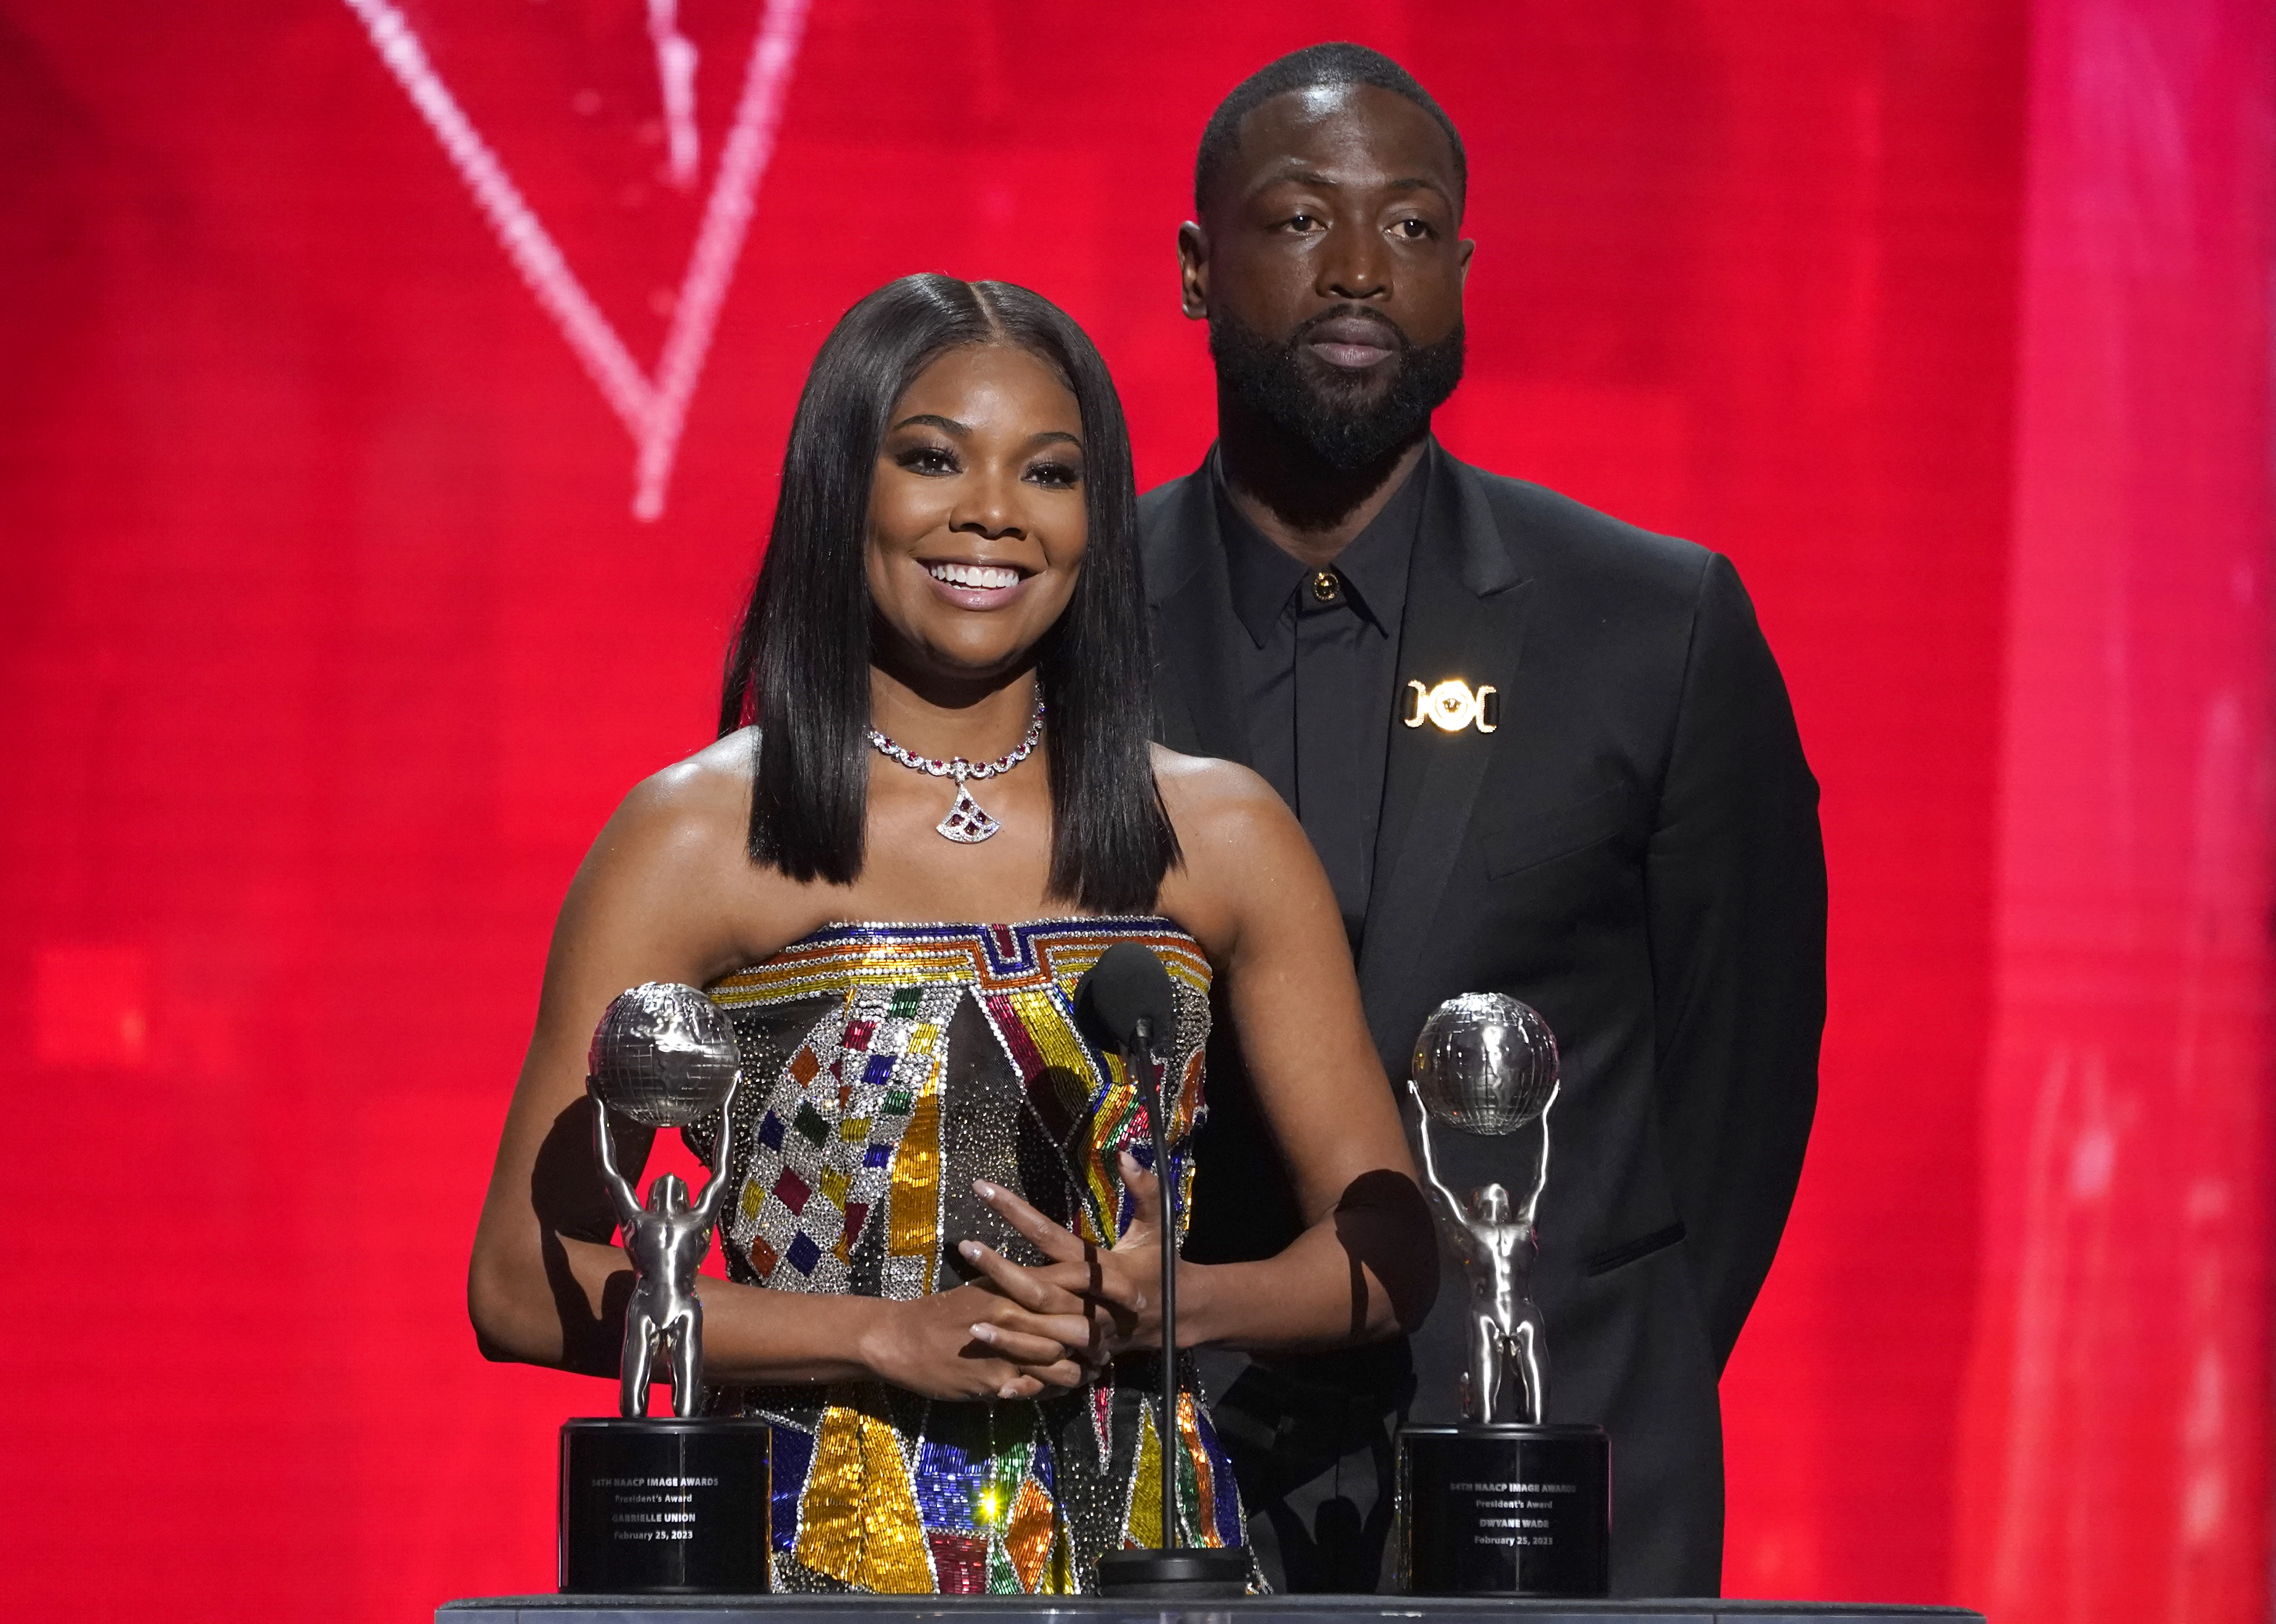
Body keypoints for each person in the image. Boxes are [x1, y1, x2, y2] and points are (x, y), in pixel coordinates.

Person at [466, 273, 1437, 1596]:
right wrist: (877, 1334)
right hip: (801, 1567)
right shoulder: (695, 838)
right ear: (841, 489)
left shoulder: (1219, 833)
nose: (993, 512)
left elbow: (1393, 1250)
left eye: (1048, 472)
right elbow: (524, 1283)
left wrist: (1169, 1305)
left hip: (1154, 1569)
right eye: (934, 459)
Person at [1142, 44, 1826, 1596]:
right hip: (1159, 1481)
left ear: (1463, 265)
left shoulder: (1654, 626)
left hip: (1565, 1465)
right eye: (1304, 221)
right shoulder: (1078, 619)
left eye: (1414, 227)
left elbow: (1739, 1083)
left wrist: (1584, 1346)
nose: (1364, 270)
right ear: (1197, 267)